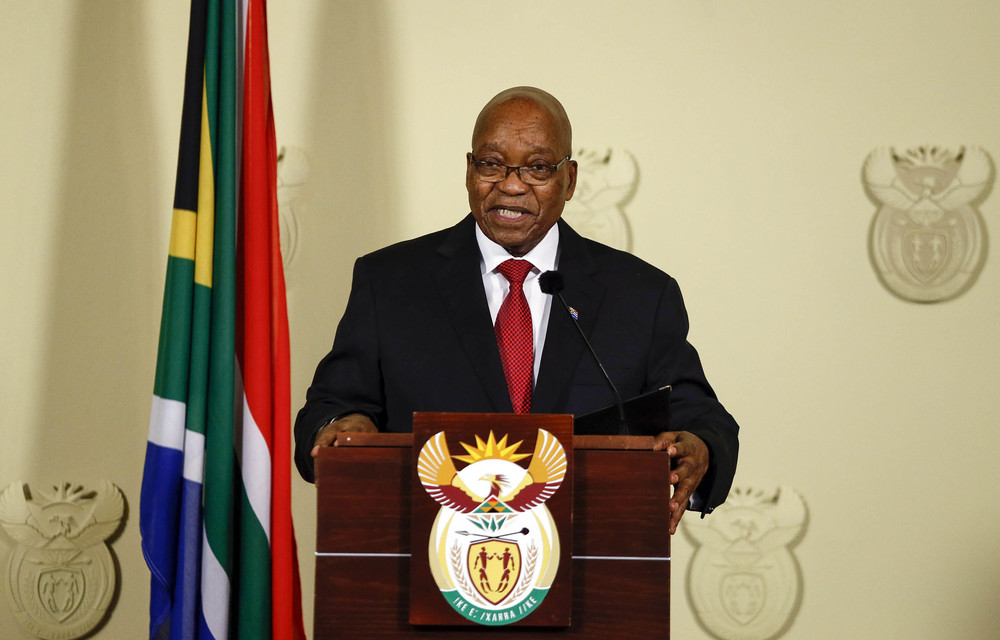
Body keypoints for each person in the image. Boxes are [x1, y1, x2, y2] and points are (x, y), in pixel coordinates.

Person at [294, 86, 739, 534]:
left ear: (570, 180)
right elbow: (331, 405)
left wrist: (699, 446)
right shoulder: (389, 281)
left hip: (586, 560)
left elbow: (700, 417)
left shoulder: (641, 295)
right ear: (469, 170)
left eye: (538, 168)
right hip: (424, 557)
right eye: (491, 164)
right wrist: (342, 426)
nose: (510, 184)